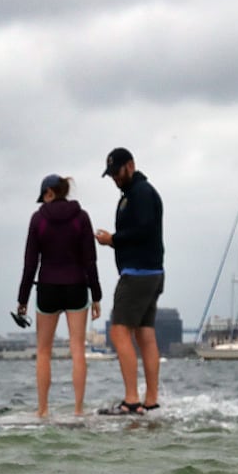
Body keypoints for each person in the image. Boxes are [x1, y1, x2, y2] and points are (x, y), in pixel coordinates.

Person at [17, 174, 102, 417]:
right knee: (77, 348)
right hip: (77, 286)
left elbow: (30, 264)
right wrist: (96, 296)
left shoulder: (38, 220)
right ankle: (78, 410)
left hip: (48, 289)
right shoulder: (81, 218)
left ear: (49, 193)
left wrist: (22, 299)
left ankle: (42, 410)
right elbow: (90, 261)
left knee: (44, 350)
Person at [94, 147, 163, 415]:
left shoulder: (141, 193)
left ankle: (132, 399)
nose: (114, 178)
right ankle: (151, 400)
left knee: (118, 331)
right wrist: (114, 242)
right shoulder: (134, 194)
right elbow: (141, 233)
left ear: (130, 166)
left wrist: (114, 239)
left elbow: (143, 230)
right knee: (145, 335)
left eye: (117, 172)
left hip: (138, 274)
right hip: (151, 271)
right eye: (110, 175)